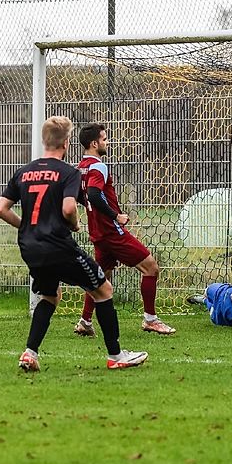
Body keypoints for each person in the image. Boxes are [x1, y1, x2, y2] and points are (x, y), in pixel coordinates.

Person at [0, 116, 147, 372]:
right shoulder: (68, 172)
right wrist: (75, 224)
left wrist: (25, 227)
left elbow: (0, 209)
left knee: (50, 296)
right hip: (58, 246)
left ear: (44, 141)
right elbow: (68, 208)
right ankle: (116, 355)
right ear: (66, 143)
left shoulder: (24, 171)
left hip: (30, 247)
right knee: (104, 290)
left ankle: (30, 353)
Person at [72, 123, 175, 337]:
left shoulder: (80, 167)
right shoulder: (98, 166)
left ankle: (85, 321)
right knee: (151, 268)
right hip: (111, 232)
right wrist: (115, 215)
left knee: (100, 277)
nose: (107, 142)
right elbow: (92, 194)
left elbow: (80, 195)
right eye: (105, 139)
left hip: (97, 232)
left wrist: (92, 210)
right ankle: (150, 320)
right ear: (94, 143)